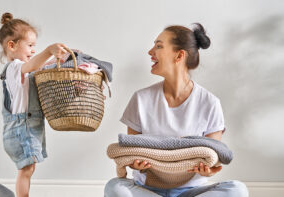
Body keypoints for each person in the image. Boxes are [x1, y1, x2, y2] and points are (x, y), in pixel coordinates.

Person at [104, 23, 248, 197]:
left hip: (191, 191)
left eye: (158, 46)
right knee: (115, 187)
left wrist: (208, 171)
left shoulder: (209, 102)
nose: (150, 52)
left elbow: (212, 157)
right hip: (147, 190)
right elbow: (131, 151)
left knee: (237, 190)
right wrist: (135, 164)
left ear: (179, 55)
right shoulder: (141, 99)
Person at [0, 12, 67, 197]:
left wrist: (60, 57)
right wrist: (48, 51)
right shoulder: (14, 68)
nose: (34, 50)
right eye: (30, 45)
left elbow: (39, 67)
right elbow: (34, 66)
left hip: (27, 127)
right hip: (21, 129)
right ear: (12, 46)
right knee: (26, 170)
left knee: (29, 168)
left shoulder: (22, 70)